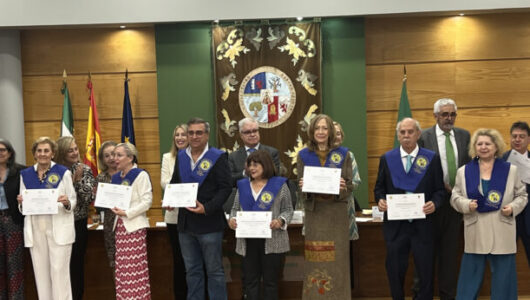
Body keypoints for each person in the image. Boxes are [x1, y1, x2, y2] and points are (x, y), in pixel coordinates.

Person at [451, 128, 527, 300]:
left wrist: (513, 208)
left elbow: (522, 195)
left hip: (502, 229)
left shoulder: (511, 170)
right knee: (468, 280)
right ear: (474, 147)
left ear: (496, 146)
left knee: (504, 280)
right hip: (475, 230)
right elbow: (455, 197)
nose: (483, 147)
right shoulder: (464, 171)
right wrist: (466, 204)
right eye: (480, 144)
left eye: (488, 143)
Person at [374, 118, 446, 300]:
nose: (406, 136)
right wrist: (381, 200)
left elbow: (439, 191)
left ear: (418, 134)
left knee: (425, 270)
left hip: (423, 225)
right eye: (402, 132)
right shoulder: (387, 158)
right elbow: (379, 188)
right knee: (395, 270)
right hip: (396, 227)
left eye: (410, 132)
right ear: (398, 135)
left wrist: (435, 203)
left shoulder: (431, 158)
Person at [169, 117, 232, 300]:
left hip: (210, 223)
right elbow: (175, 183)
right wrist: (171, 199)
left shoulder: (217, 157)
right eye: (191, 133)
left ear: (207, 134)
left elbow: (226, 187)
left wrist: (207, 208)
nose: (194, 136)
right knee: (192, 272)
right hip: (186, 225)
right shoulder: (181, 156)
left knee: (214, 272)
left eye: (199, 132)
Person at [417, 98, 470, 300]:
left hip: (455, 204)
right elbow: (418, 171)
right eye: (444, 114)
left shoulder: (464, 136)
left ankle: (448, 296)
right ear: (435, 116)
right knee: (425, 254)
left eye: (452, 114)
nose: (449, 118)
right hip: (431, 204)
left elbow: (469, 166)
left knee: (449, 255)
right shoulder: (424, 137)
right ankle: (422, 295)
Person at [297, 114, 354, 299]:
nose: (320, 132)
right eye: (317, 128)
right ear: (311, 131)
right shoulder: (304, 155)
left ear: (330, 131)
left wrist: (343, 187)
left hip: (336, 217)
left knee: (338, 262)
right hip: (316, 217)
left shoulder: (344, 154)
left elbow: (351, 185)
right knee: (316, 260)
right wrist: (302, 186)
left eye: (324, 128)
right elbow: (300, 186)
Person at [228, 150, 293, 300]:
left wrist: (280, 221)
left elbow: (288, 210)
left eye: (256, 164)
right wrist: (232, 220)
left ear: (266, 165)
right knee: (251, 282)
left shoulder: (279, 185)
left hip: (273, 240)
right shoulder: (243, 186)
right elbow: (234, 210)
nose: (252, 168)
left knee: (271, 282)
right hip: (248, 241)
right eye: (249, 165)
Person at [17, 136, 77, 300]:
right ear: (34, 154)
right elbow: (23, 204)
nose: (42, 154)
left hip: (58, 226)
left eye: (46, 151)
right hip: (36, 229)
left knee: (59, 274)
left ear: (52, 153)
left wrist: (66, 203)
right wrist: (21, 203)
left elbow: (72, 200)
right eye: (39, 151)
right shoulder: (26, 175)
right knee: (41, 275)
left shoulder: (63, 173)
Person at [56, 136, 96, 300]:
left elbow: (88, 198)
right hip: (58, 222)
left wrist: (77, 182)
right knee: (59, 264)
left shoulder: (84, 170)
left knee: (76, 265)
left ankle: (77, 296)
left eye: (75, 149)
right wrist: (71, 181)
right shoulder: (54, 171)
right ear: (61, 153)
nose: (74, 153)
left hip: (77, 223)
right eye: (69, 150)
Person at [110, 142, 152, 299]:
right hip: (120, 228)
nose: (115, 158)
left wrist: (127, 212)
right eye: (114, 155)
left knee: (134, 270)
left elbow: (147, 201)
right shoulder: (116, 177)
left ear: (130, 157)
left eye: (119, 155)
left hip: (134, 227)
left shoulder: (141, 175)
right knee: (122, 271)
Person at [161, 123, 188, 299]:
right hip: (173, 216)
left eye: (183, 135)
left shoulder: (198, 158)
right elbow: (164, 182)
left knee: (194, 263)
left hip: (193, 215)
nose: (179, 138)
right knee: (179, 261)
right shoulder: (167, 157)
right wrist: (182, 189)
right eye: (177, 135)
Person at [502, 121, 530, 267]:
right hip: (508, 216)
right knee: (505, 261)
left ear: (528, 139)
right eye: (514, 136)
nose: (517, 139)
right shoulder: (501, 160)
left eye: (522, 136)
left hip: (528, 216)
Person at [0, 139, 25, 299]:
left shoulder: (21, 172)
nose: (0, 153)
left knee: (14, 265)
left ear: (9, 153)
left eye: (3, 150)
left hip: (13, 221)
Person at [333, 121, 362, 240]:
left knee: (344, 251)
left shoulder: (348, 155)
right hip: (321, 210)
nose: (336, 136)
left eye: (338, 133)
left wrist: (342, 186)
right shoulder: (316, 155)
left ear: (342, 137)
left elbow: (355, 181)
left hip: (344, 208)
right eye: (332, 133)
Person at [95, 141, 118, 271]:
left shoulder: (129, 173)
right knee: (114, 263)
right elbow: (99, 207)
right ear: (102, 160)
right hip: (110, 225)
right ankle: (118, 291)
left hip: (128, 222)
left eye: (114, 154)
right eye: (107, 155)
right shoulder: (100, 178)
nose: (111, 158)